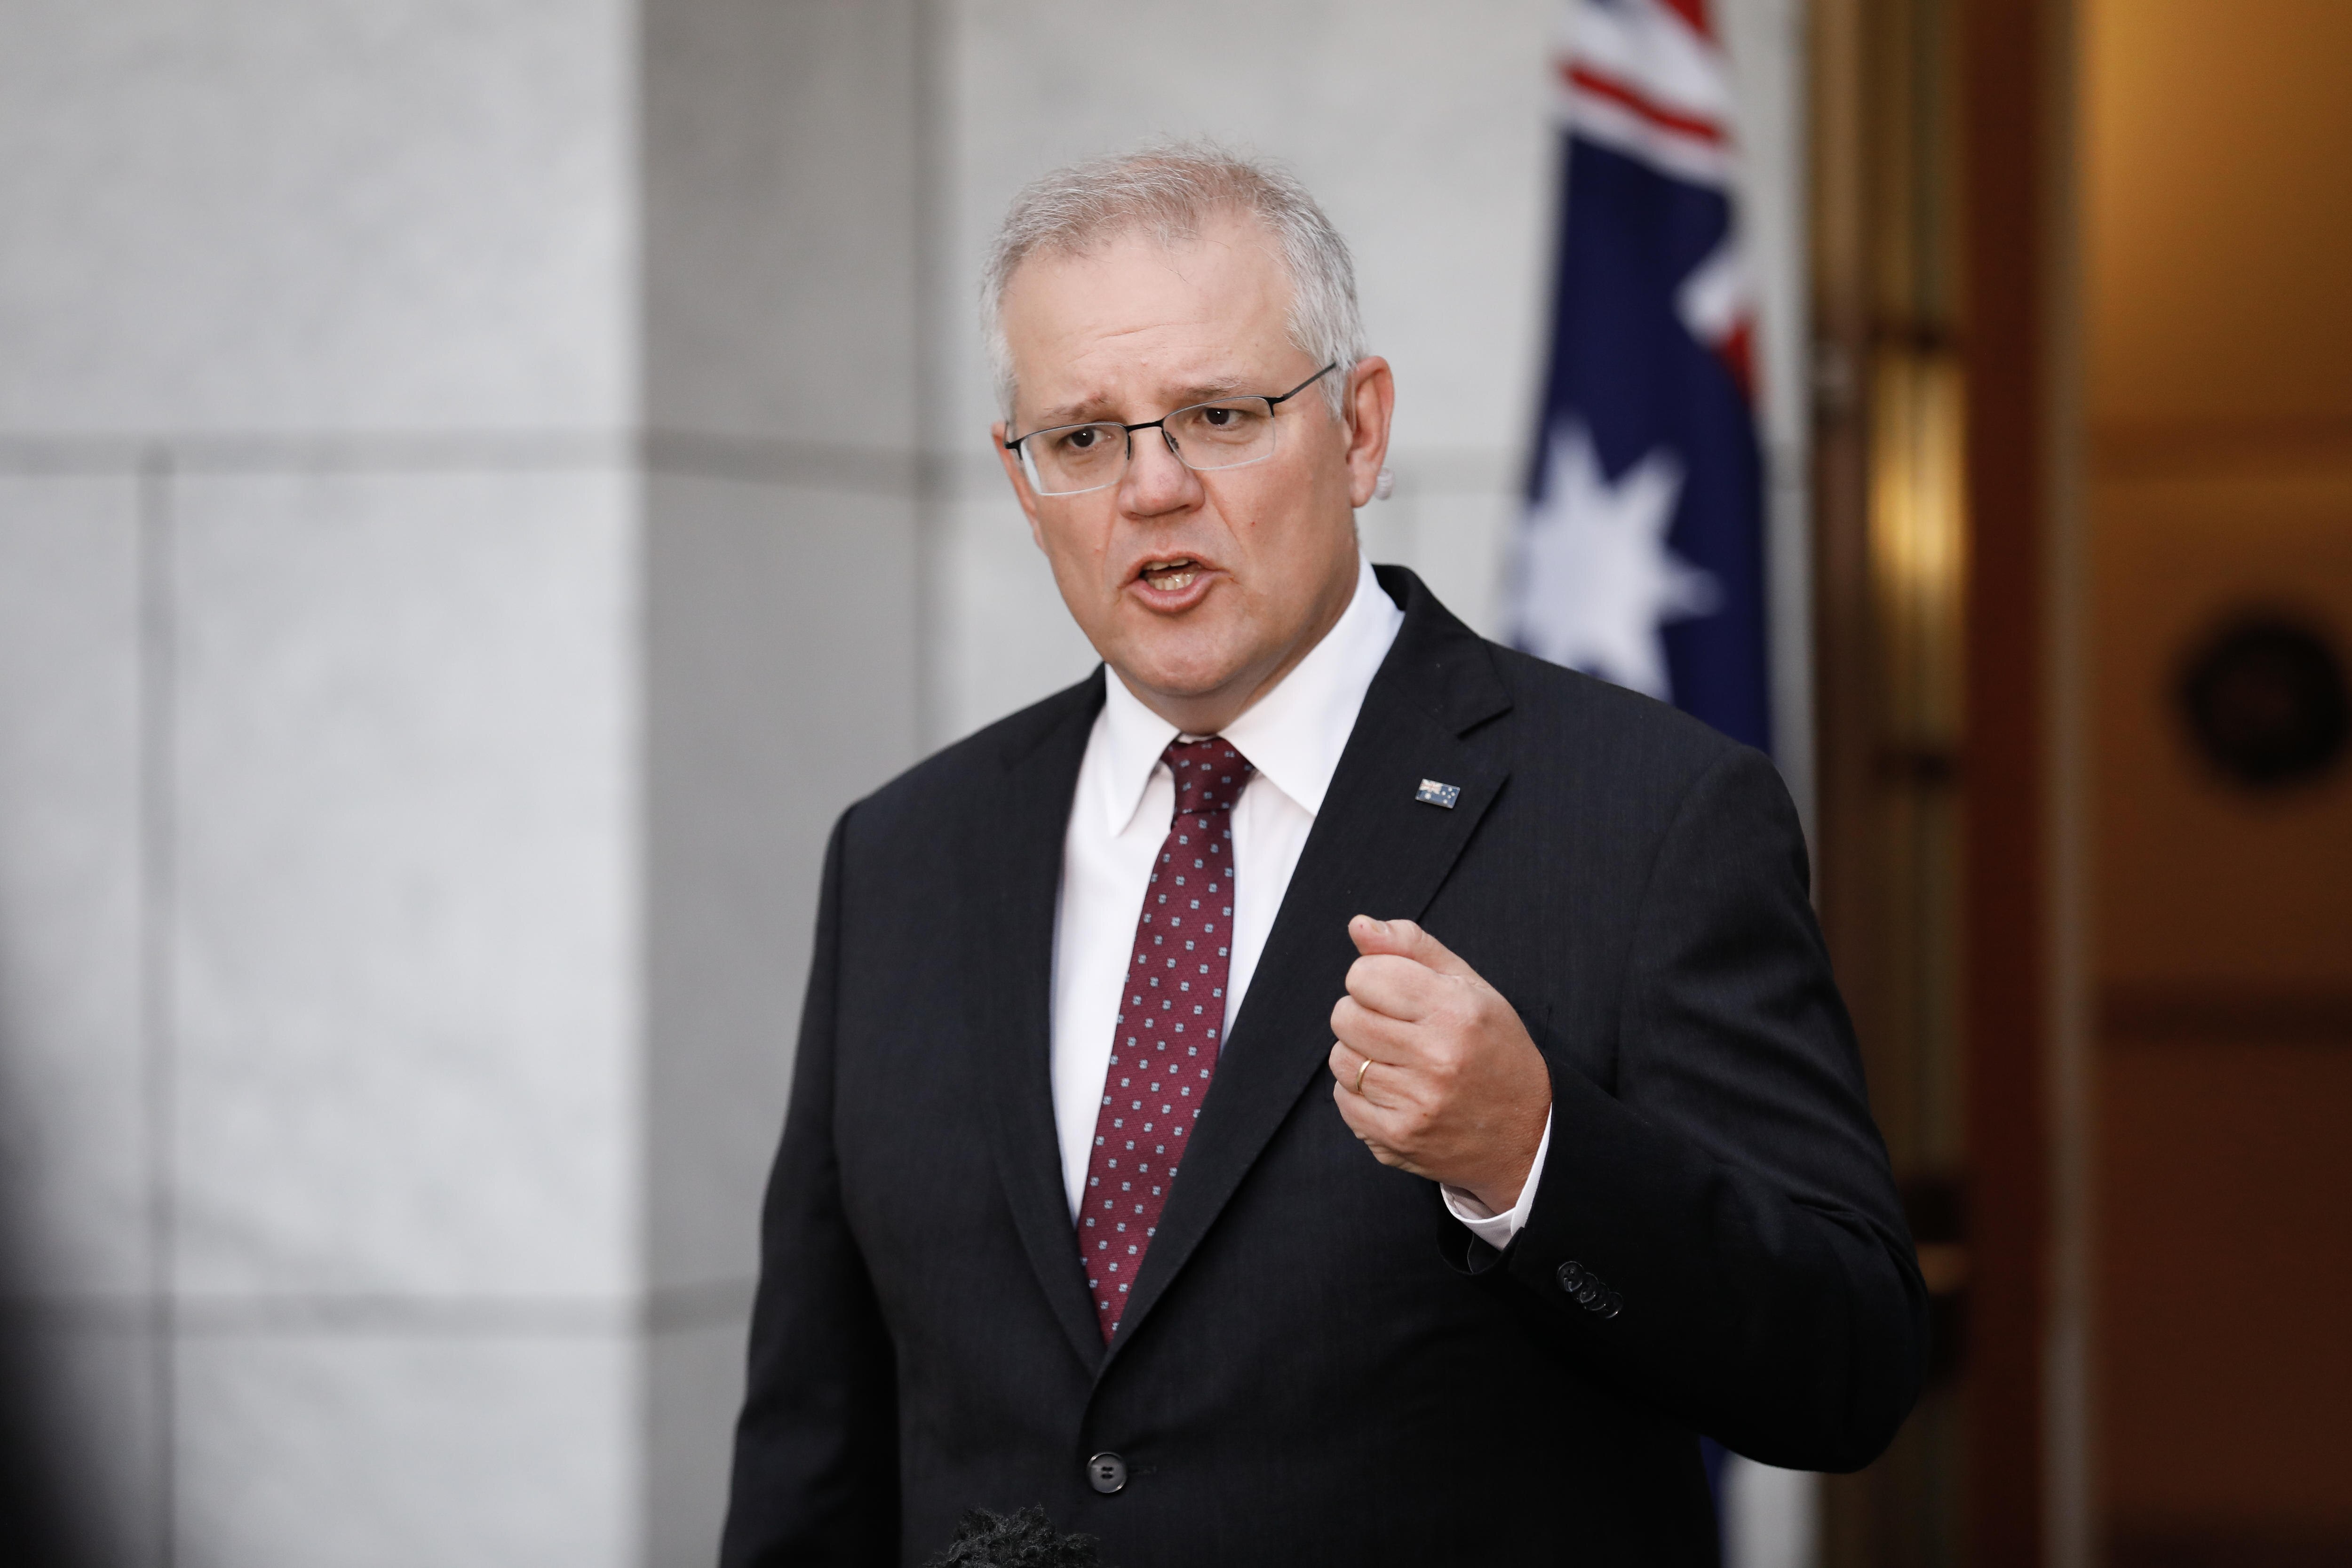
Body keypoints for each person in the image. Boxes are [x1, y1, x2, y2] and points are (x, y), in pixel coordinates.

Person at [720, 143, 1925, 1568]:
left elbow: (1846, 1362)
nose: (1152, 489)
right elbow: (819, 1440)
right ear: (1022, 477)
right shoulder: (904, 855)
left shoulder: (1648, 817)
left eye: (1219, 414)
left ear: (1360, 433)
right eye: (1085, 437)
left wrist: (1535, 1157)